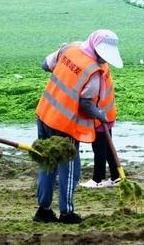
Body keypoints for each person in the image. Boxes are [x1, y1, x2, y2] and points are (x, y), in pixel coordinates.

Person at [33, 29, 123, 224]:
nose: (102, 58)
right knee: (70, 169)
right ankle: (66, 213)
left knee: (47, 163)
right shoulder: (94, 73)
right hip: (66, 126)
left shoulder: (69, 49)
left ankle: (44, 211)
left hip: (45, 114)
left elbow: (44, 65)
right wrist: (102, 116)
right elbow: (86, 104)